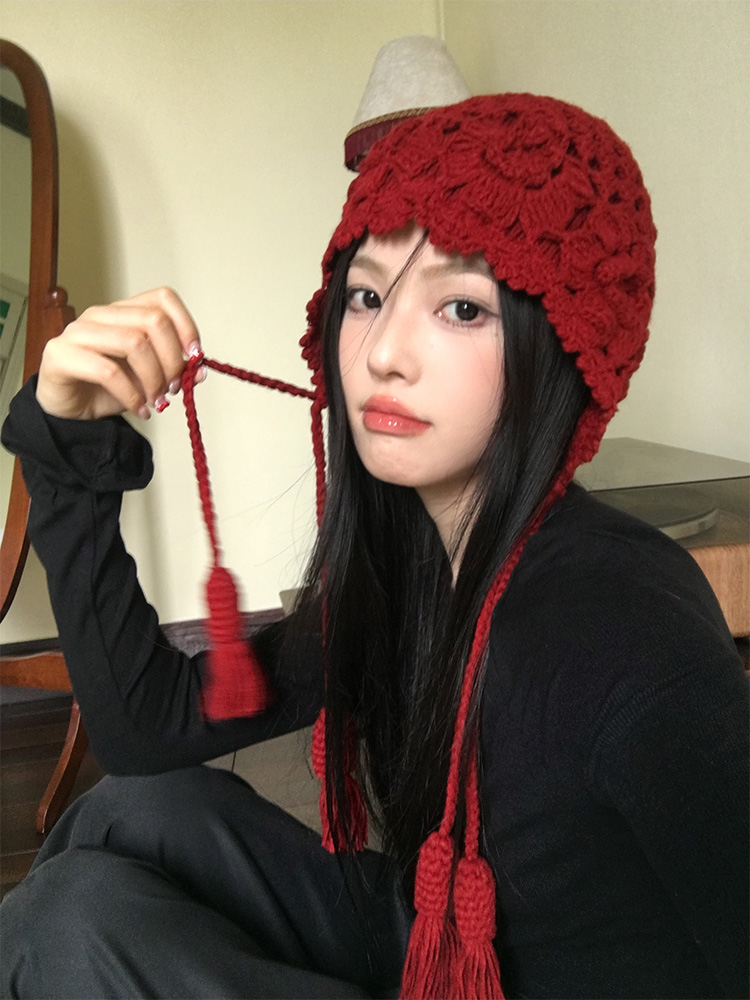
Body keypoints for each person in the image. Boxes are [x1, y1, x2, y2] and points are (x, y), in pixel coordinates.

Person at [1, 94, 747, 1000]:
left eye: (461, 307)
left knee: (70, 929)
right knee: (130, 812)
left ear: (564, 346)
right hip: (434, 943)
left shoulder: (626, 629)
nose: (384, 352)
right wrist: (68, 443)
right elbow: (144, 726)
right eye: (366, 295)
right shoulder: (411, 563)